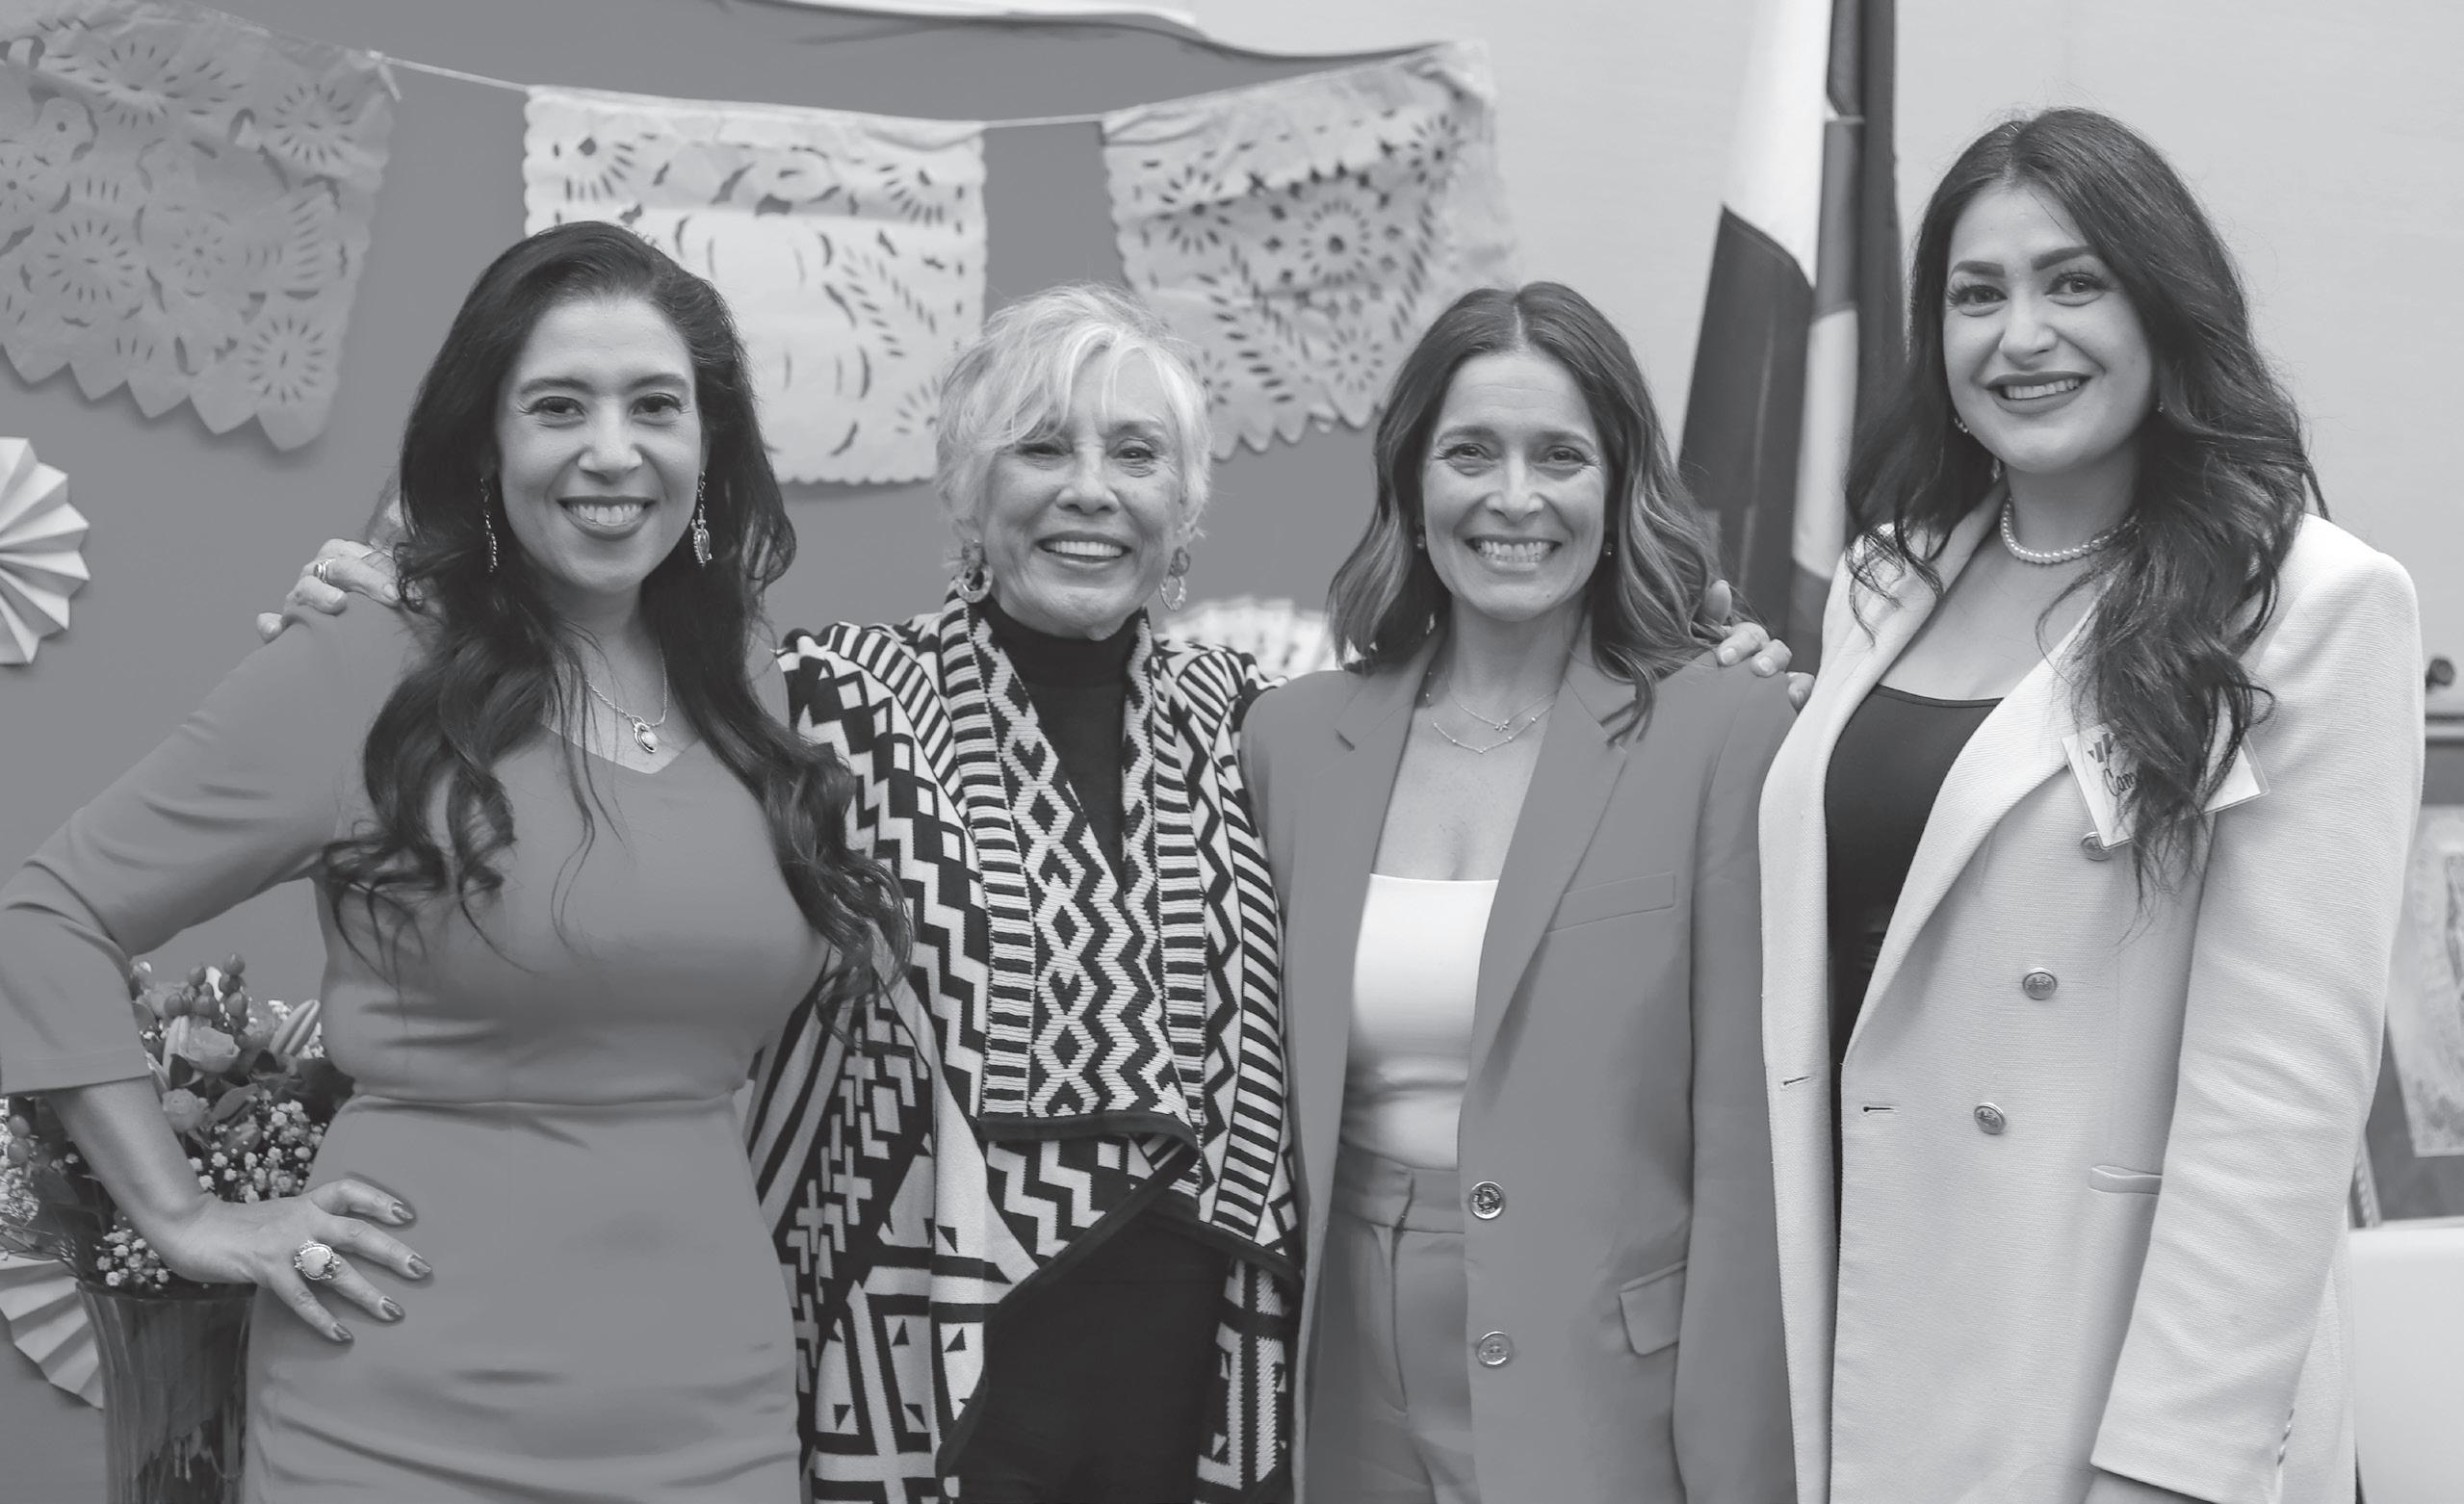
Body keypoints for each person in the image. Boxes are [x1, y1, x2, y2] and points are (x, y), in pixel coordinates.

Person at [272, 283, 1795, 1499]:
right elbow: (581, 685)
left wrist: (1720, 658)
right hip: (911, 1356)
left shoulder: (1260, 720)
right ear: (966, 486)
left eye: (1133, 455)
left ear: (1184, 505)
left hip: (1211, 1362)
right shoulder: (814, 701)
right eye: (1040, 449)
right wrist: (392, 619)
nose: (1089, 492)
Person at [0, 221, 910, 1501]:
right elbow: (48, 912)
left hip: (717, 1406)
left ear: (710, 445)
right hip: (403, 1418)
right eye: (558, 406)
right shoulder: (366, 661)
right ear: (486, 445)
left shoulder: (747, 684)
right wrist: (183, 1217)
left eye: (656, 405)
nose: (612, 449)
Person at [1757, 108, 2423, 1504]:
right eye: (1975, 294)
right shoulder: (1886, 577)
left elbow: (2277, 1102)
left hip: (2098, 1354)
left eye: (2073, 282)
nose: (2022, 335)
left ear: (2163, 312)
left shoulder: (2304, 604)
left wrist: (2171, 1465)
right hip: (1870, 1307)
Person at [1241, 282, 1797, 1503]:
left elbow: (1747, 1155)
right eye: (1470, 453)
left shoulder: (1726, 726)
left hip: (1607, 1391)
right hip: (1343, 1386)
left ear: (1619, 487)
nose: (1514, 497)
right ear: (1410, 485)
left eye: (1559, 456)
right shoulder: (1290, 740)